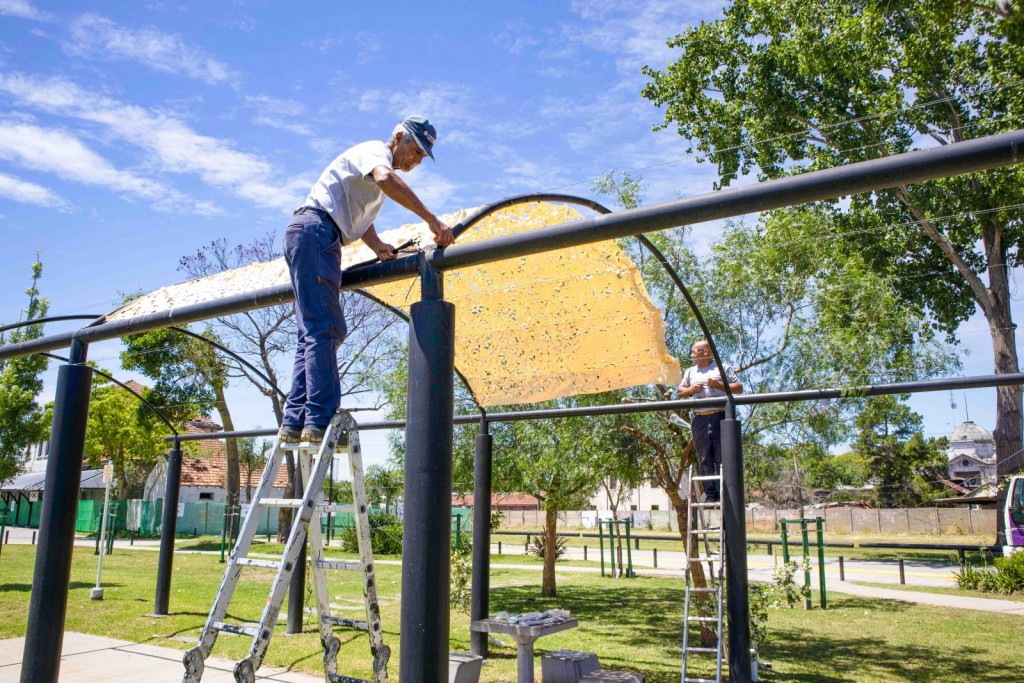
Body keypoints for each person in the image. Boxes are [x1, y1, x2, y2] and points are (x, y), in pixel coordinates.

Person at [279, 115, 454, 443]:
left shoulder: (373, 177)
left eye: (422, 157)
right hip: (317, 233)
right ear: (398, 136)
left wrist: (379, 247)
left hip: (313, 233)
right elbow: (385, 178)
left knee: (313, 330)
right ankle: (319, 418)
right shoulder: (377, 154)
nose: (416, 161)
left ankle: (295, 421)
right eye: (415, 151)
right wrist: (431, 220)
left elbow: (356, 218)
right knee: (326, 328)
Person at [676, 339, 743, 502]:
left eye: (695, 351)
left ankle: (725, 494)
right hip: (699, 419)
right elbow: (680, 391)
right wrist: (691, 390)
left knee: (722, 457)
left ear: (706, 352)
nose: (692, 355)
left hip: (720, 416)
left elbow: (739, 388)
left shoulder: (722, 367)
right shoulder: (691, 372)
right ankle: (710, 494)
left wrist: (718, 385)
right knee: (705, 458)